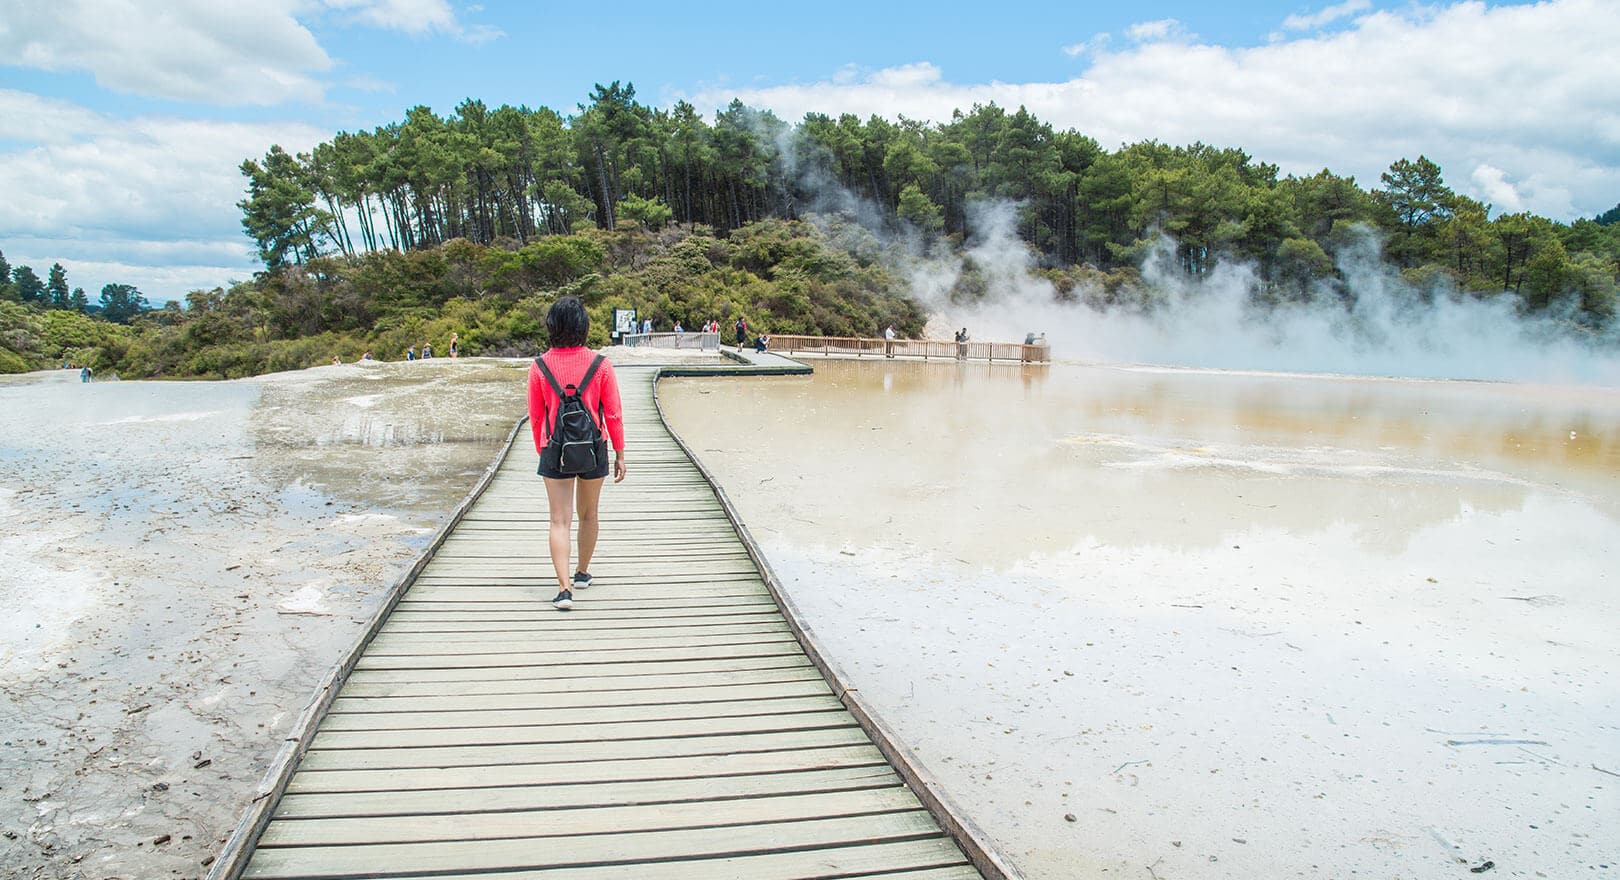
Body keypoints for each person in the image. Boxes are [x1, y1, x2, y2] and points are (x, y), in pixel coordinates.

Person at [528, 296, 626, 611]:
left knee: (559, 520)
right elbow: (613, 414)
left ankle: (564, 589)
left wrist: (542, 449)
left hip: (554, 447)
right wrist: (619, 452)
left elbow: (536, 417)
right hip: (593, 447)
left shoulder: (539, 366)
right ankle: (582, 573)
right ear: (583, 326)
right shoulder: (601, 365)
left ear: (552, 327)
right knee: (589, 514)